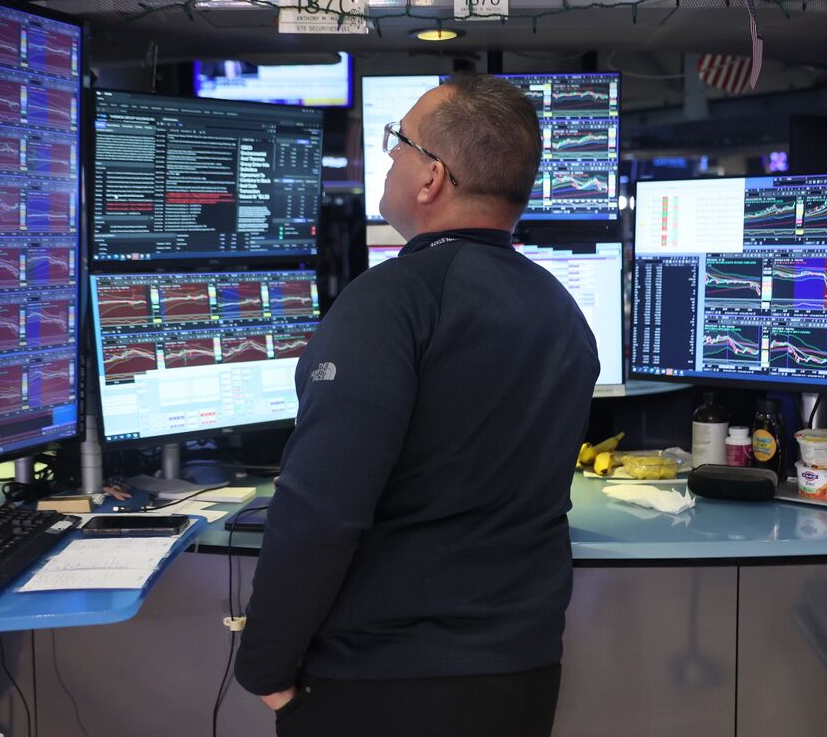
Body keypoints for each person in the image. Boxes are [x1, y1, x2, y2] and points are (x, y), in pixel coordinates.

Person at [234, 74, 600, 736]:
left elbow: (321, 508)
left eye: (397, 142)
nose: (388, 157)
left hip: (385, 681)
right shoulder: (561, 310)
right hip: (520, 675)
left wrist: (265, 665)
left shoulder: (389, 301)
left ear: (432, 178)